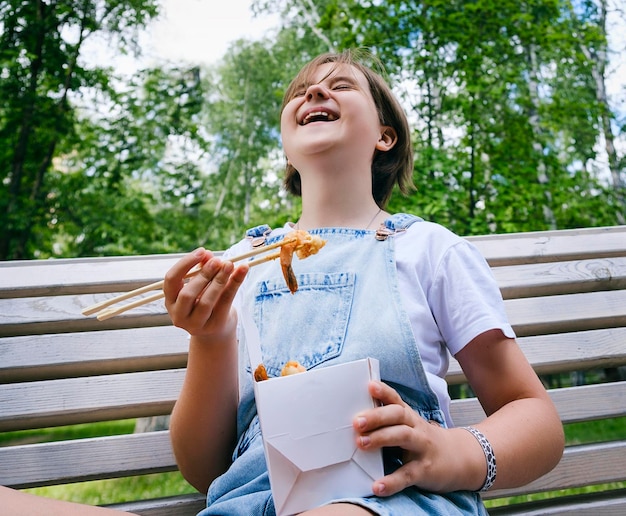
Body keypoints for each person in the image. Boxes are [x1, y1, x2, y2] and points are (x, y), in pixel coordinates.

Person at [1, 49, 564, 515]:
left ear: (385, 137)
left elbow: (534, 417)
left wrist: (457, 451)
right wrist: (211, 339)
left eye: (339, 86)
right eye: (301, 91)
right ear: (286, 145)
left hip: (393, 497)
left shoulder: (429, 250)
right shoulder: (240, 264)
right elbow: (205, 470)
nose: (314, 93)